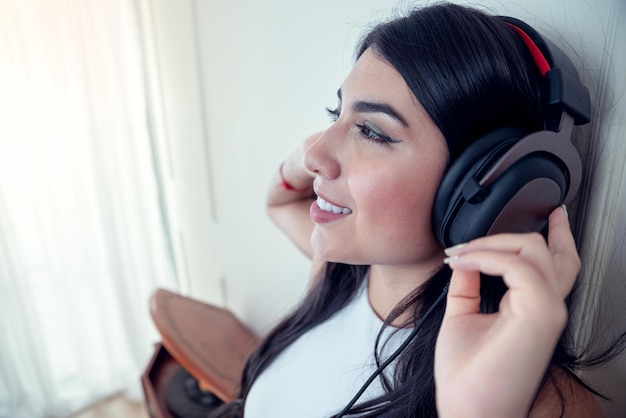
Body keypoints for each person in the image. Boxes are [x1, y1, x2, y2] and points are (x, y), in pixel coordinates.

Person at [211, 3, 606, 417]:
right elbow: (280, 199)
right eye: (336, 111)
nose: (314, 154)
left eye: (372, 130)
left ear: (491, 188)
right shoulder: (336, 277)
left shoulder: (546, 403)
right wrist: (309, 153)